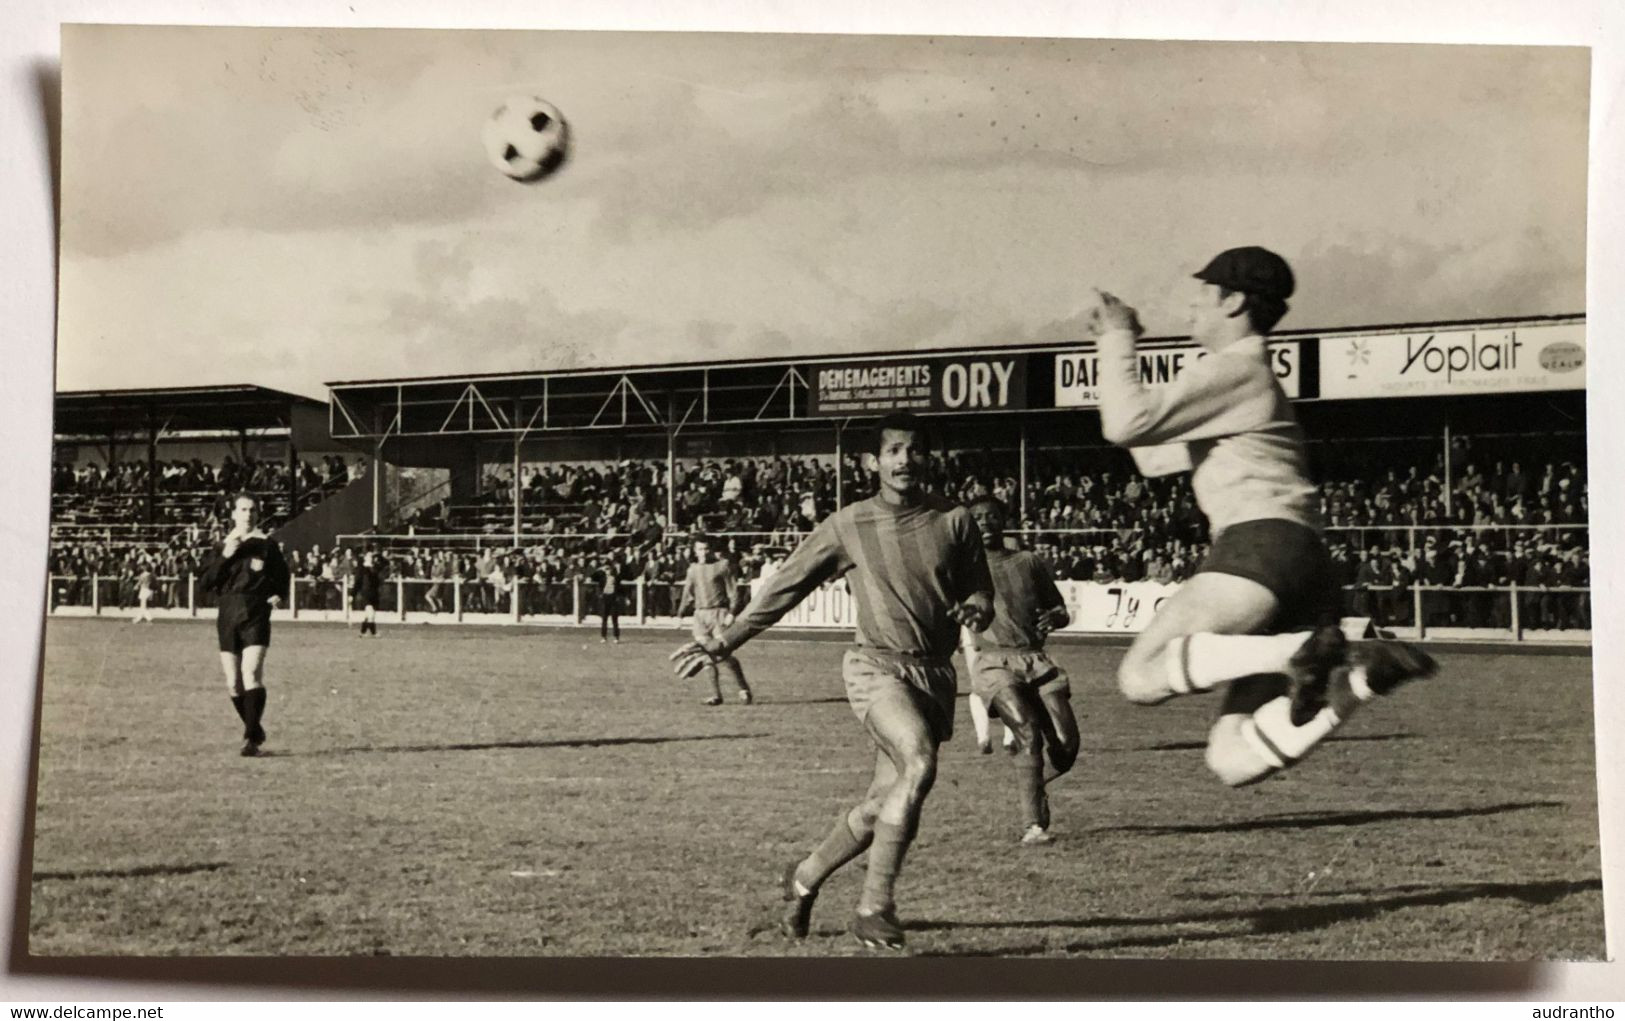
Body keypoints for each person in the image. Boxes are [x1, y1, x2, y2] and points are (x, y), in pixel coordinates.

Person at [1089, 246, 1435, 788]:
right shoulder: (1245, 378)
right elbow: (1152, 455)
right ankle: (1362, 679)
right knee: (1231, 759)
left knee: (1140, 676)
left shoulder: (1235, 368)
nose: (1188, 311)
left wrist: (1117, 341)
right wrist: (1118, 370)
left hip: (1262, 544)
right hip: (1305, 564)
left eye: (1199, 297)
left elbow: (1125, 425)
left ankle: (1302, 652)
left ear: (1232, 302)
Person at [671, 413, 994, 951]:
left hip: (934, 674)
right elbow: (784, 587)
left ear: (926, 458)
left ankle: (803, 879)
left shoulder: (954, 520)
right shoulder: (848, 524)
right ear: (873, 462)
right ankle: (874, 909)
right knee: (917, 763)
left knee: (884, 802)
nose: (904, 460)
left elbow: (980, 589)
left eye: (914, 450)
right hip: (876, 669)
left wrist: (978, 608)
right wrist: (722, 643)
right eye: (893, 451)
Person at [962, 495, 1080, 845]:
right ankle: (1034, 826)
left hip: (1036, 659)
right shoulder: (963, 569)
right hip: (994, 662)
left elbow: (1059, 608)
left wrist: (1056, 617)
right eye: (977, 519)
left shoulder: (1028, 561)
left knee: (1067, 746)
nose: (985, 523)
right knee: (1028, 732)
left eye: (991, 517)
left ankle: (1032, 781)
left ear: (1004, 520)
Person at [198, 494, 291, 757]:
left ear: (257, 514)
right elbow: (205, 583)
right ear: (234, 514)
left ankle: (250, 739)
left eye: (252, 510)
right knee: (233, 683)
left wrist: (279, 594)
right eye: (243, 509)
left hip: (256, 612)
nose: (248, 514)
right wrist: (225, 556)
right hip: (227, 613)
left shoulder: (267, 545)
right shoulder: (222, 545)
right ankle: (255, 728)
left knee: (251, 673)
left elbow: (282, 577)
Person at [676, 535, 753, 706]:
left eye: (706, 549)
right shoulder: (693, 569)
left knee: (721, 655)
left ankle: (742, 688)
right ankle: (717, 695)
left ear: (711, 549)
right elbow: (687, 594)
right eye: (700, 549)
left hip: (719, 614)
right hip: (700, 616)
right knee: (709, 656)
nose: (703, 553)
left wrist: (732, 612)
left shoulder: (722, 566)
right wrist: (680, 615)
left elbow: (733, 591)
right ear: (695, 551)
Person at [597, 553, 624, 644]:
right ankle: (603, 636)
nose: (607, 571)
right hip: (605, 598)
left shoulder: (615, 578)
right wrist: (601, 595)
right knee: (604, 619)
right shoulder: (602, 578)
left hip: (613, 598)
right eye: (606, 569)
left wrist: (619, 597)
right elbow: (599, 587)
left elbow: (619, 589)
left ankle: (616, 637)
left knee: (614, 619)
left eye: (609, 569)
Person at [355, 550, 382, 637]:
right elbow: (358, 582)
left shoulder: (374, 568)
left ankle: (362, 632)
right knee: (371, 614)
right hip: (366, 593)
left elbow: (377, 581)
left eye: (372, 556)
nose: (371, 558)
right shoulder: (362, 569)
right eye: (369, 556)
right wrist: (352, 594)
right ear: (365, 558)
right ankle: (374, 633)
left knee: (368, 614)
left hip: (373, 593)